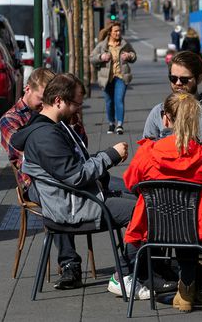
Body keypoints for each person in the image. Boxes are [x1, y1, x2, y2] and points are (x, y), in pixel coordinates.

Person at [112, 92, 202, 310]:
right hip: (198, 231)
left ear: (165, 119)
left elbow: (131, 182)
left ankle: (186, 289)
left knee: (176, 222)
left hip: (155, 229)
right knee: (194, 220)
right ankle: (189, 287)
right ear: (196, 121)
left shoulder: (148, 151)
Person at [10, 73, 133, 290]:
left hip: (81, 197)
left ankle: (147, 270)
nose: (79, 109)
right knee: (143, 211)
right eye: (76, 103)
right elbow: (75, 176)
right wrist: (109, 156)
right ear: (59, 100)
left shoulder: (58, 126)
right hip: (74, 207)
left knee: (141, 197)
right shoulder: (46, 135)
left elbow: (78, 164)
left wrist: (103, 162)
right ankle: (126, 275)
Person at [143, 51, 202, 154]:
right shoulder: (159, 111)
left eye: (184, 79)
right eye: (173, 78)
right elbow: (146, 152)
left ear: (200, 78)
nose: (178, 83)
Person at [0, 67, 57, 191]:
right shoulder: (10, 119)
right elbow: (25, 157)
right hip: (35, 181)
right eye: (41, 99)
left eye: (49, 100)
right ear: (27, 89)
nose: (45, 105)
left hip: (59, 173)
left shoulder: (53, 110)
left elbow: (81, 144)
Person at [89, 21, 137, 135]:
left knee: (119, 100)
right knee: (109, 102)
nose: (118, 33)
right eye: (116, 31)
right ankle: (111, 123)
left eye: (119, 31)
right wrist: (101, 56)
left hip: (121, 77)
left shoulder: (125, 44)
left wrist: (129, 56)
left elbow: (134, 56)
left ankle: (119, 124)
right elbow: (91, 58)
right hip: (106, 79)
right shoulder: (102, 45)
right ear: (110, 32)